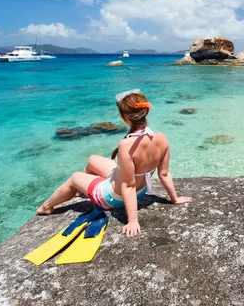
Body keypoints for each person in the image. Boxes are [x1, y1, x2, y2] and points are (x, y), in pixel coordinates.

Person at [36, 89, 192, 238]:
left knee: (75, 176)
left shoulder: (126, 144)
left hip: (113, 197)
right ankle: (80, 191)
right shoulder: (162, 138)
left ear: (124, 118)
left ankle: (47, 207)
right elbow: (164, 173)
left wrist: (132, 221)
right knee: (92, 159)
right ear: (147, 112)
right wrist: (175, 199)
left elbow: (128, 186)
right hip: (142, 190)